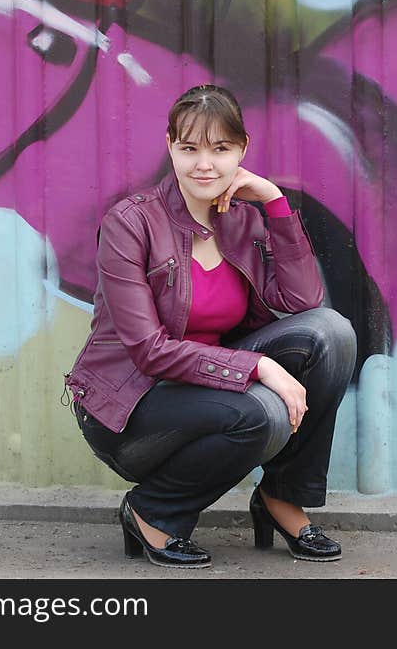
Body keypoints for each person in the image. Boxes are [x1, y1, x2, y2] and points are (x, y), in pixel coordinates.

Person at [63, 84, 357, 569]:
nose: (205, 164)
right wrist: (258, 365)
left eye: (220, 149)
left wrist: (275, 202)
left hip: (212, 390)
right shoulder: (131, 223)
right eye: (190, 148)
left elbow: (304, 300)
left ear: (241, 150)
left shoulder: (242, 222)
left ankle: (280, 498)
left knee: (332, 334)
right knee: (264, 411)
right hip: (133, 407)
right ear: (170, 147)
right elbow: (150, 351)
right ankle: (153, 510)